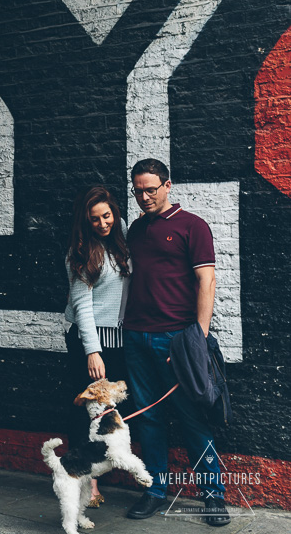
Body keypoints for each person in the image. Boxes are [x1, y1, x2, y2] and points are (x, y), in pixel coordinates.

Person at [122, 158, 230, 527]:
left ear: (168, 186)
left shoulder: (193, 226)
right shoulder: (135, 230)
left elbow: (207, 282)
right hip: (136, 336)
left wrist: (197, 338)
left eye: (151, 189)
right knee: (148, 418)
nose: (144, 196)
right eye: (138, 190)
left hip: (176, 339)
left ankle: (213, 495)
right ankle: (154, 490)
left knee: (192, 418)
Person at [63, 186, 132, 508]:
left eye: (107, 215)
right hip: (90, 343)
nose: (103, 223)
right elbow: (83, 306)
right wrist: (93, 351)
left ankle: (101, 472)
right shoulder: (80, 252)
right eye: (95, 219)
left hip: (119, 342)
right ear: (85, 221)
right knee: (87, 416)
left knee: (111, 415)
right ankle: (87, 484)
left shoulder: (121, 244)